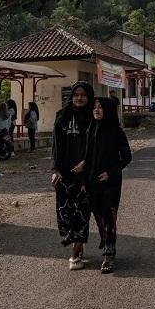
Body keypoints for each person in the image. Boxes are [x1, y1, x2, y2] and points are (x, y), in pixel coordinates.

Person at [86, 96, 132, 273]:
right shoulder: (90, 129)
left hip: (111, 182)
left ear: (108, 110)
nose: (96, 110)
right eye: (94, 107)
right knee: (97, 213)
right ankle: (106, 241)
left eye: (100, 107)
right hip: (92, 180)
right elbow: (87, 155)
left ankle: (109, 254)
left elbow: (127, 157)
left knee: (109, 214)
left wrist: (110, 172)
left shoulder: (116, 131)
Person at [51, 81, 94, 269]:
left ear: (89, 97)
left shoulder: (93, 117)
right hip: (64, 176)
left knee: (82, 213)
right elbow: (55, 145)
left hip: (85, 176)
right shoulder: (61, 116)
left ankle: (75, 254)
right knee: (66, 215)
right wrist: (55, 170)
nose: (79, 98)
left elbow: (97, 145)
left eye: (83, 95)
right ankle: (78, 246)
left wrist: (87, 163)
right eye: (76, 94)